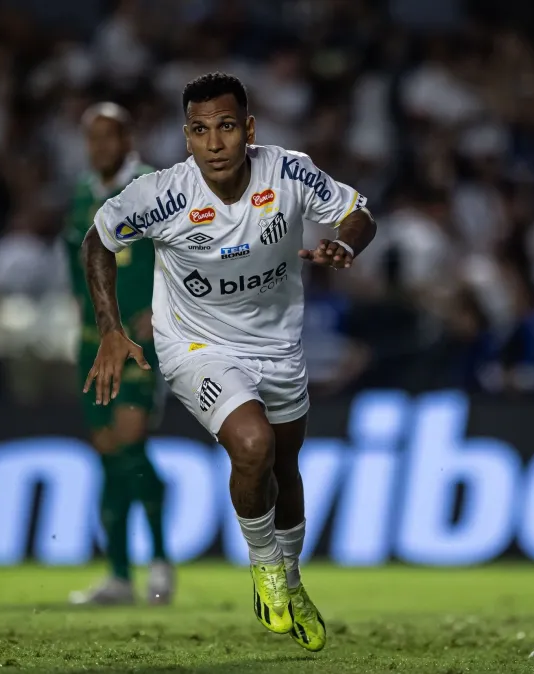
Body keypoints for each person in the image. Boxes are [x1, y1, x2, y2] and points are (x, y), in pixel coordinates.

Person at [81, 73, 376, 652]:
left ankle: (290, 584)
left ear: (249, 129)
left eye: (225, 127)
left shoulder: (288, 171)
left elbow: (357, 211)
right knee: (253, 445)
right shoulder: (163, 194)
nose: (214, 143)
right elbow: (98, 239)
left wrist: (347, 243)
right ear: (185, 137)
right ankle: (265, 569)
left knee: (286, 468)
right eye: (199, 130)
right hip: (197, 346)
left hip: (279, 346)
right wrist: (111, 329)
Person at [63, 102, 174, 606]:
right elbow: (76, 265)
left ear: (128, 138)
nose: (100, 147)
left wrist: (165, 307)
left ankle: (159, 560)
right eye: (92, 138)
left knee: (129, 443)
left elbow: (186, 248)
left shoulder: (153, 188)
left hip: (139, 342)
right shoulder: (84, 193)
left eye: (109, 136)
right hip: (92, 341)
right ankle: (119, 575)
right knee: (109, 452)